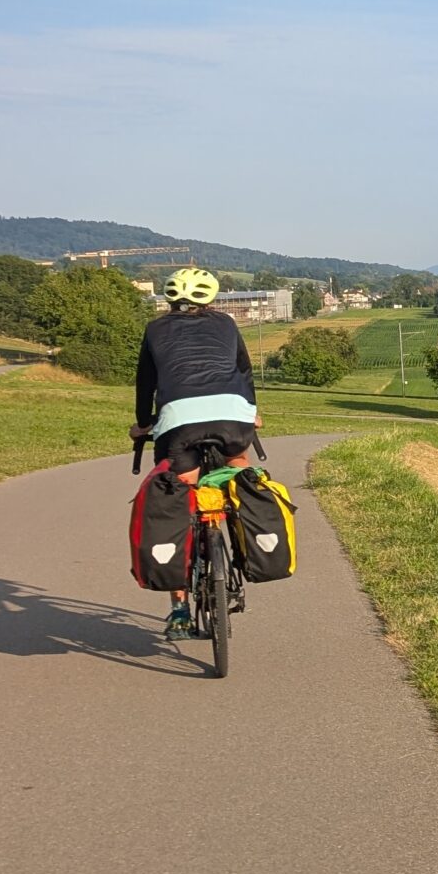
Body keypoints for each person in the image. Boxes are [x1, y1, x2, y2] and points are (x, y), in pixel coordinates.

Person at [132, 267, 261, 637]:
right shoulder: (226, 324)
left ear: (170, 299)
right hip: (233, 419)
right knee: (241, 472)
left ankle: (179, 610)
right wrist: (250, 413)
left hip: (179, 424)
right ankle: (246, 546)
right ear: (212, 299)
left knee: (178, 501)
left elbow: (146, 383)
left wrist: (143, 425)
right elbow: (244, 374)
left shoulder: (155, 329)